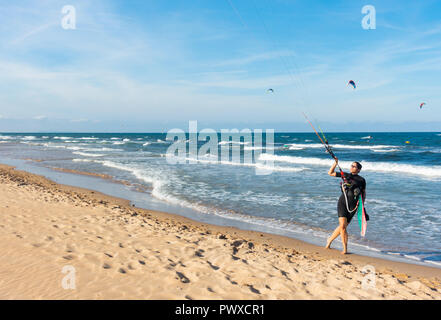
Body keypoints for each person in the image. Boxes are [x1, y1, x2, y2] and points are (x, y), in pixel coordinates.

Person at [325, 158, 366, 254]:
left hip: (353, 206)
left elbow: (363, 193)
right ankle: (345, 248)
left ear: (359, 169)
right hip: (343, 202)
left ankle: (329, 241)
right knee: (343, 226)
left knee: (342, 227)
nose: (351, 167)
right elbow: (330, 173)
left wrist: (362, 206)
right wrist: (335, 163)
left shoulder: (362, 180)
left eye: (354, 166)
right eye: (351, 165)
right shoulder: (345, 175)